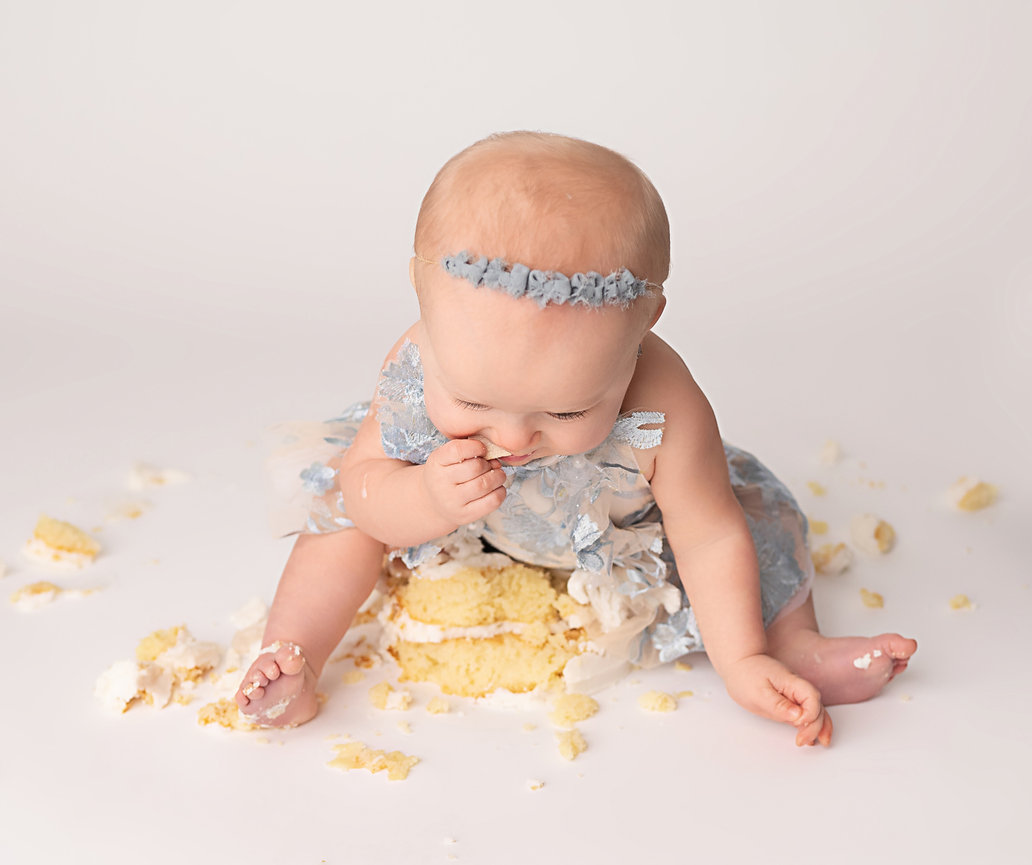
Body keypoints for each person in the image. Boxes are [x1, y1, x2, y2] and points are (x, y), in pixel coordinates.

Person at [235, 131, 916, 746]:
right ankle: (293, 656)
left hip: (622, 537)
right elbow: (365, 491)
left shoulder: (664, 406)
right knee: (338, 520)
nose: (511, 436)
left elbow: (707, 534)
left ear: (642, 327)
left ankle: (788, 650)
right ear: (421, 295)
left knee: (760, 540)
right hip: (462, 518)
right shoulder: (413, 364)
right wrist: (423, 495)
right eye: (472, 400)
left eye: (564, 412)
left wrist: (736, 656)